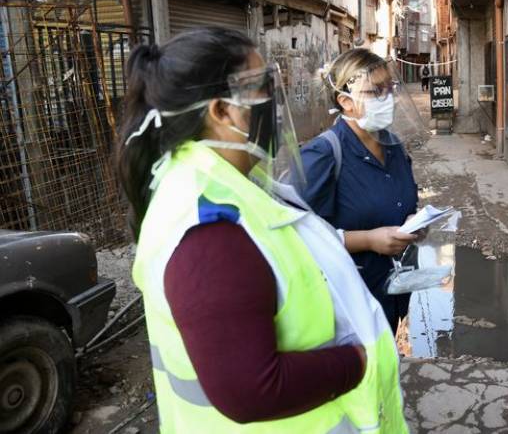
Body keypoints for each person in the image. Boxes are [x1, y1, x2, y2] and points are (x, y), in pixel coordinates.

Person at [117, 27, 407, 433]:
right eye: (263, 89)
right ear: (220, 111)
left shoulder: (232, 184)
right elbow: (250, 388)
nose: (275, 105)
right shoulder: (208, 225)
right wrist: (359, 361)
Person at [300, 48, 420, 334]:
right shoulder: (323, 154)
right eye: (375, 92)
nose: (387, 98)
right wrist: (367, 240)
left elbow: (400, 202)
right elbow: (298, 237)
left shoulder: (393, 145)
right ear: (346, 102)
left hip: (391, 294)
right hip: (346, 308)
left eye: (389, 88)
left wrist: (414, 224)